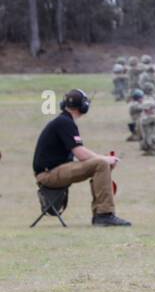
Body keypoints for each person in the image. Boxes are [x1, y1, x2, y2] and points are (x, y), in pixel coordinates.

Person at [32, 89, 130, 226]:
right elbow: (81, 154)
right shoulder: (65, 122)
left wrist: (103, 159)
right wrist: (105, 159)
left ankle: (101, 214)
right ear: (83, 107)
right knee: (100, 164)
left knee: (100, 163)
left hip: (51, 171)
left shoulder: (63, 121)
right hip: (48, 174)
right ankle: (104, 214)